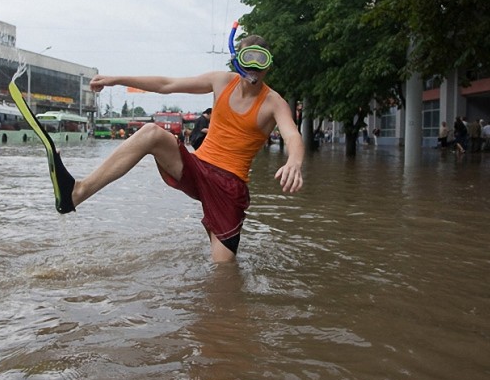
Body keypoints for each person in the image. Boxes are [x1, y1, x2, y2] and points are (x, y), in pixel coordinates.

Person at [38, 34, 304, 263]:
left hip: (229, 188)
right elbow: (167, 84)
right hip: (197, 169)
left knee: (224, 273)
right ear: (237, 61)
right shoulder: (222, 81)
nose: (255, 69)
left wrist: (294, 161)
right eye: (249, 59)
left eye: (262, 62)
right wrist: (117, 79)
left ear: (268, 65)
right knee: (151, 133)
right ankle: (76, 193)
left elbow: (292, 135)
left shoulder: (274, 102)